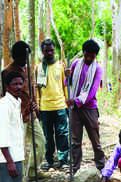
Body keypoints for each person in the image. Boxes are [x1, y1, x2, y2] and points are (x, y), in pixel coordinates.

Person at [1, 41, 46, 182]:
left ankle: (33, 171)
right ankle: (19, 181)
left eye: (27, 57)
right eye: (22, 57)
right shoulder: (7, 72)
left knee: (40, 142)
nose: (25, 60)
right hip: (17, 116)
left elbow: (32, 90)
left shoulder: (28, 69)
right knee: (18, 149)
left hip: (31, 114)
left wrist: (36, 107)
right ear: (16, 57)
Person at [0, 71, 37, 182]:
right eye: (15, 84)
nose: (19, 87)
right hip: (9, 160)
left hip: (15, 157)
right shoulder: (5, 105)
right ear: (7, 86)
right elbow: (2, 136)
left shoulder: (15, 102)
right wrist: (10, 162)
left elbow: (15, 126)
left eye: (21, 83)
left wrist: (26, 112)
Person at [65, 39, 105, 173]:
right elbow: (68, 82)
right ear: (83, 53)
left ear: (95, 56)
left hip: (90, 108)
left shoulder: (98, 68)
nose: (88, 58)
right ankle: (75, 168)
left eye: (92, 56)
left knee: (95, 140)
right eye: (87, 55)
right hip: (75, 110)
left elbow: (92, 90)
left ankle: (101, 168)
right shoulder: (76, 63)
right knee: (75, 141)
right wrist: (67, 75)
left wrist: (75, 101)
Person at [35, 39, 70, 171]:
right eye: (46, 50)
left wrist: (67, 102)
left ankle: (63, 160)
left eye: (51, 50)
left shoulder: (61, 66)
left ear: (54, 50)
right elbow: (37, 88)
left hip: (60, 105)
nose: (49, 53)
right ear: (42, 52)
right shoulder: (38, 68)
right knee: (47, 136)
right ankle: (49, 160)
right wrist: (38, 106)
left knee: (62, 134)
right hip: (45, 107)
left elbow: (65, 86)